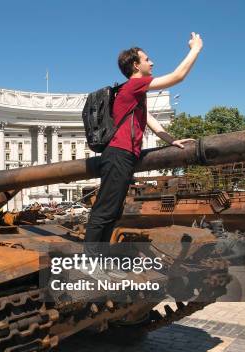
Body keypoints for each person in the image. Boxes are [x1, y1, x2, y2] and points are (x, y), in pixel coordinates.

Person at [84, 33, 203, 252]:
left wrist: (171, 139)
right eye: (147, 59)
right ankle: (90, 261)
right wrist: (195, 48)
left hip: (125, 156)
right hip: (119, 153)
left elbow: (150, 121)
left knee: (113, 211)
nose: (152, 62)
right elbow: (178, 77)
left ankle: (100, 258)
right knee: (104, 210)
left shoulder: (132, 93)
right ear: (136, 66)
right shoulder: (134, 85)